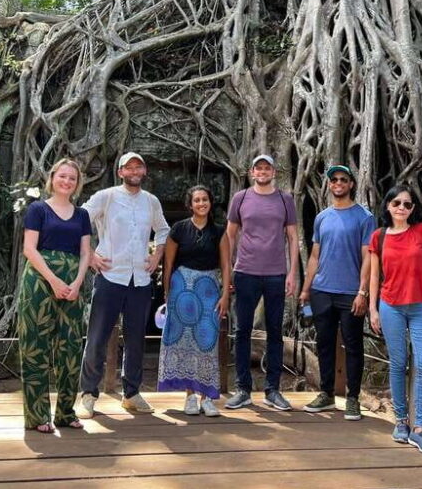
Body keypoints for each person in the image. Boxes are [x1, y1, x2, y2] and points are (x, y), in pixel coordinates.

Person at [76, 152, 170, 417]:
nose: (134, 170)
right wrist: (91, 254)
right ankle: (88, 394)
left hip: (139, 279)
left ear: (144, 171)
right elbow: (80, 219)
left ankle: (131, 393)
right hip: (110, 276)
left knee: (135, 339)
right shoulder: (106, 196)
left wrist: (156, 256)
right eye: (129, 167)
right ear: (120, 172)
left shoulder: (150, 201)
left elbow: (163, 230)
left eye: (138, 166)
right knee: (97, 337)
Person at [368, 183, 422, 455]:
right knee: (398, 364)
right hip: (390, 307)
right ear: (388, 206)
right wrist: (373, 308)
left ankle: (421, 430)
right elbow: (374, 276)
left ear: (413, 209)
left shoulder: (421, 232)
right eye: (397, 203)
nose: (402, 207)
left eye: (407, 204)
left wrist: (419, 282)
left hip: (421, 306)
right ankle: (401, 422)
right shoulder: (378, 237)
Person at [19, 158, 91, 433]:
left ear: (77, 183)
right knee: (35, 346)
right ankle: (38, 416)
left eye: (72, 178)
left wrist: (77, 281)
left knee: (70, 348)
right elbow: (30, 249)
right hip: (40, 281)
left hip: (73, 286)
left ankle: (65, 412)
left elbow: (85, 252)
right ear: (52, 178)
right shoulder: (38, 209)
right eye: (62, 176)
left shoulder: (82, 215)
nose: (67, 181)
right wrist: (54, 280)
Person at [299, 165, 374, 421]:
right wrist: (306, 288)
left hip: (350, 291)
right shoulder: (322, 217)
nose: (338, 183)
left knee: (353, 344)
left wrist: (362, 291)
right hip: (322, 290)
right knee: (324, 343)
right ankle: (326, 393)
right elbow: (315, 255)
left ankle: (352, 398)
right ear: (329, 185)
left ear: (351, 184)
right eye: (334, 180)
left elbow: (368, 256)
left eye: (343, 179)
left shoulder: (364, 217)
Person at [225, 155, 299, 411]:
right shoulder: (241, 198)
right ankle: (243, 388)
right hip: (245, 272)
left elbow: (292, 236)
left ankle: (272, 390)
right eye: (259, 168)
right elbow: (230, 235)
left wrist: (292, 274)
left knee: (275, 332)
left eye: (267, 168)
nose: (263, 172)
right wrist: (229, 269)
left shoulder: (284, 199)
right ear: (252, 172)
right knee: (243, 330)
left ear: (274, 172)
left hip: (276, 274)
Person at [157, 185, 232, 416]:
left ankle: (207, 397)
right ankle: (189, 396)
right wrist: (167, 294)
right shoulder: (179, 229)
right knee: (185, 341)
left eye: (205, 199)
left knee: (206, 340)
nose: (201, 203)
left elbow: (226, 264)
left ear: (210, 203)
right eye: (197, 200)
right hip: (181, 290)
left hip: (208, 289)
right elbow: (168, 264)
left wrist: (225, 295)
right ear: (190, 205)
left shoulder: (220, 231)